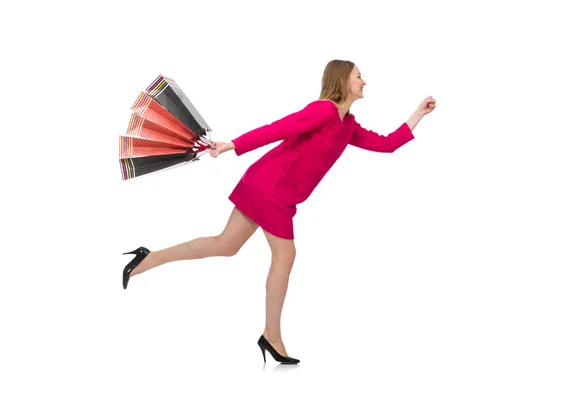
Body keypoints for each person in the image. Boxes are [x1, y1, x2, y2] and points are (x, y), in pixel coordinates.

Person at [121, 59, 436, 364]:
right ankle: (271, 335)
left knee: (225, 245)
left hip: (273, 191)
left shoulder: (348, 125)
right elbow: (279, 128)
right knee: (285, 257)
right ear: (342, 80)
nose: (364, 81)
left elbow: (387, 144)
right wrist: (234, 144)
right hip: (269, 189)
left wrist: (417, 115)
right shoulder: (323, 111)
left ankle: (148, 258)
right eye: (358, 75)